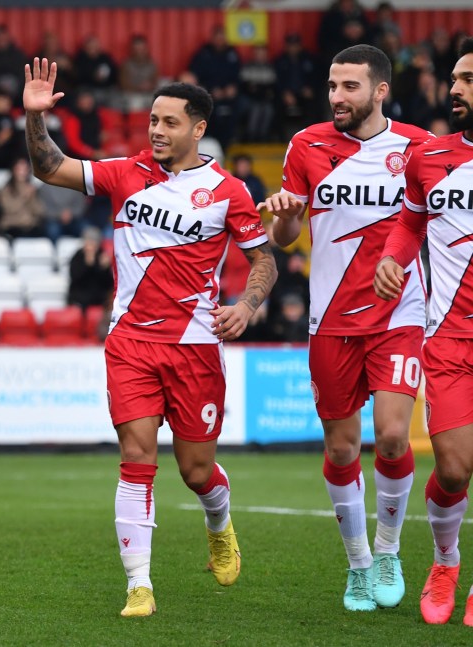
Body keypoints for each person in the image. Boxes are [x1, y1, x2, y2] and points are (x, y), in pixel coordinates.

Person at [24, 58, 276, 616]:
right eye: (152, 120)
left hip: (195, 348)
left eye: (169, 122)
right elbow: (49, 168)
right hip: (131, 343)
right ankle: (139, 584)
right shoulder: (124, 172)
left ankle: (219, 521)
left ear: (198, 129)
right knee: (136, 457)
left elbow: (263, 258)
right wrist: (34, 117)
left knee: (196, 472)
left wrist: (248, 304)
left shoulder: (228, 191)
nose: (157, 130)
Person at [260, 44, 431, 613]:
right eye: (332, 86)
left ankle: (387, 551)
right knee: (340, 450)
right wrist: (285, 211)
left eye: (349, 87)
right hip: (329, 321)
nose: (336, 97)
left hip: (399, 314)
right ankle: (357, 564)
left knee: (389, 436)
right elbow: (285, 237)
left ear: (380, 90)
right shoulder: (305, 145)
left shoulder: (416, 147)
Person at [374, 37, 473, 626]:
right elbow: (410, 224)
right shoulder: (430, 157)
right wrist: (394, 256)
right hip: (450, 339)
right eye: (456, 78)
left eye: (467, 79)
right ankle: (446, 560)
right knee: (455, 468)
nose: (455, 89)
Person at [67, 227, 113, 310]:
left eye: (93, 242)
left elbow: (108, 284)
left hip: (99, 301)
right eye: (88, 241)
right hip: (79, 300)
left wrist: (105, 269)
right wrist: (86, 265)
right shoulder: (78, 256)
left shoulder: (102, 256)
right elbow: (74, 278)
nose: (90, 245)